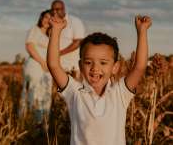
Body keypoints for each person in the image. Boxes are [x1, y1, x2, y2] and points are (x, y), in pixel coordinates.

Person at [47, 14, 152, 145]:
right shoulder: (75, 93)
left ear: (115, 67)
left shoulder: (120, 93)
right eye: (88, 62)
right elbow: (53, 65)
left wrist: (142, 31)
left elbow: (139, 66)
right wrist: (56, 31)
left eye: (103, 63)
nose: (95, 68)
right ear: (80, 65)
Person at [20, 9, 52, 121]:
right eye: (45, 17)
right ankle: (29, 122)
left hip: (47, 68)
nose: (47, 20)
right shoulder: (35, 30)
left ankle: (42, 123)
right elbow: (29, 46)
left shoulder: (50, 36)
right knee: (32, 91)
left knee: (44, 92)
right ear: (41, 18)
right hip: (35, 65)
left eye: (50, 18)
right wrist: (42, 62)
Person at [51, 0, 85, 79]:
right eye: (52, 9)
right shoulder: (51, 23)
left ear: (63, 9)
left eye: (57, 9)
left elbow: (78, 42)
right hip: (55, 67)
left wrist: (59, 53)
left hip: (71, 67)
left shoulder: (75, 21)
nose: (54, 12)